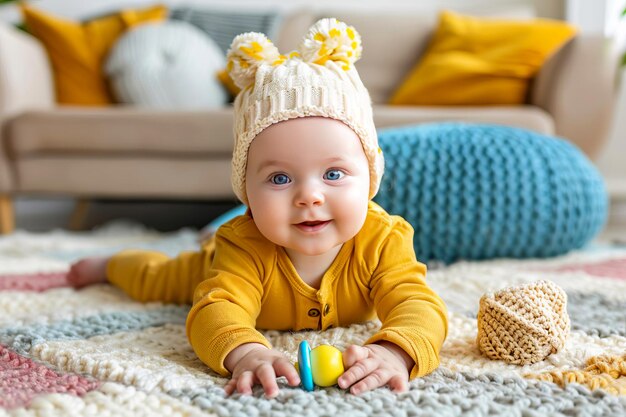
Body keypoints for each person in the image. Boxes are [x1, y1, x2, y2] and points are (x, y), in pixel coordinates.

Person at [68, 18, 448, 398]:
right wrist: (246, 352)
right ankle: (112, 264)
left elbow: (418, 304)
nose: (309, 196)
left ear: (371, 178)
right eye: (280, 178)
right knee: (158, 277)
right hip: (211, 266)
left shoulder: (384, 239)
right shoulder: (243, 245)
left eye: (333, 173)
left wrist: (396, 351)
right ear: (245, 189)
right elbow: (216, 313)